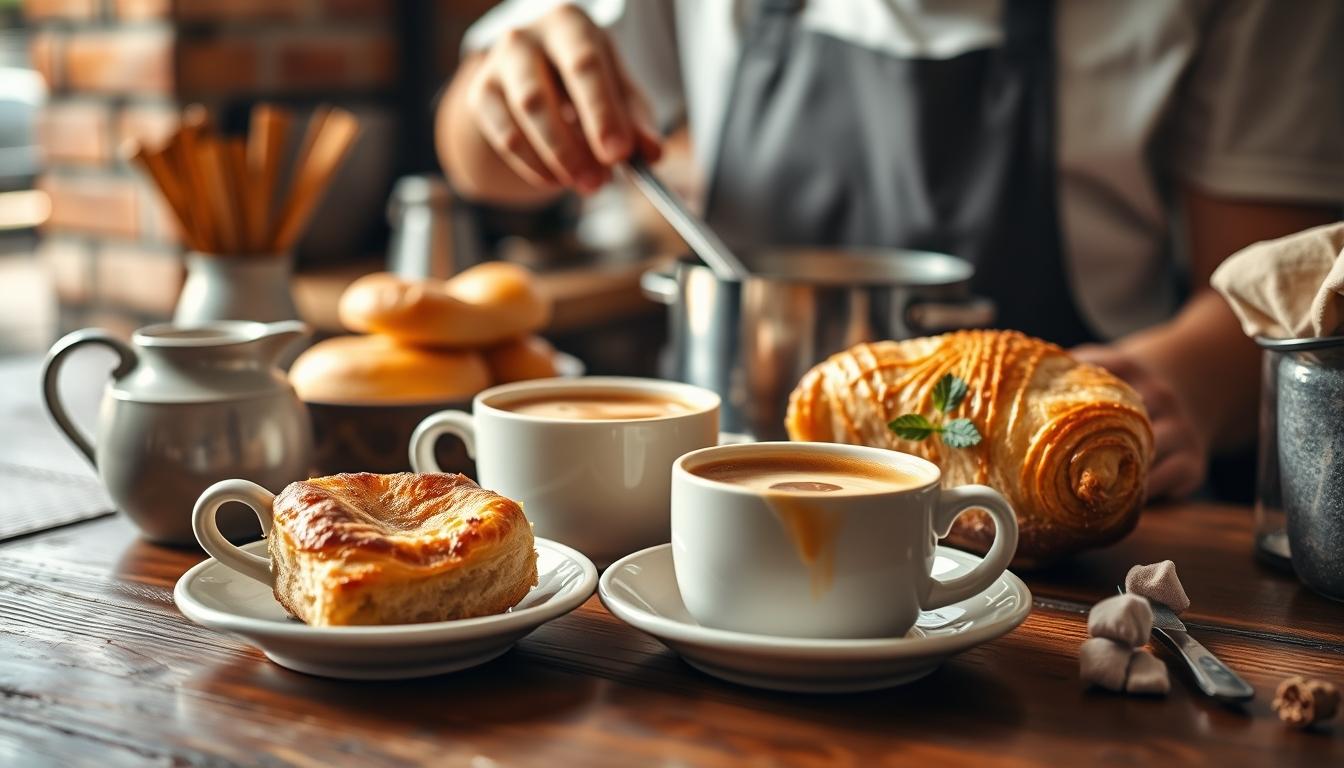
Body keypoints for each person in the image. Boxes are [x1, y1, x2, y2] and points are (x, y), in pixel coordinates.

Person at [436, 1, 1344, 500]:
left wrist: (1184, 383)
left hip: (1054, 537)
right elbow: (472, 152)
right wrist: (506, 96)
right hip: (720, 499)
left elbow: (1283, 289)